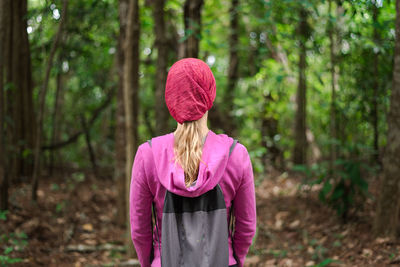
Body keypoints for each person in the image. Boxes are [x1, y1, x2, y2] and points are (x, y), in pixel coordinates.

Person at [129, 58, 256, 267]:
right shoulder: (236, 155)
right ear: (210, 95)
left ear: (170, 97)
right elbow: (246, 227)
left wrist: (151, 263)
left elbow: (139, 231)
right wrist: (235, 259)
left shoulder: (148, 155)